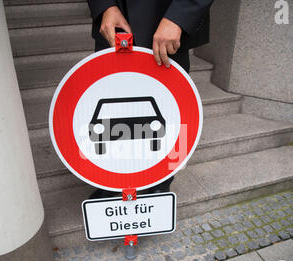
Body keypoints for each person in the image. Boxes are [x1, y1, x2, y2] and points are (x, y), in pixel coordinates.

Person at [87, 0, 213, 199]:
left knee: (171, 112)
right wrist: (105, 6)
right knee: (111, 99)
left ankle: (161, 181)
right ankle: (111, 183)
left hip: (166, 24)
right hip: (116, 23)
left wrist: (179, 16)